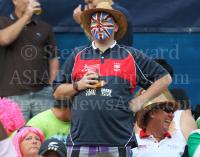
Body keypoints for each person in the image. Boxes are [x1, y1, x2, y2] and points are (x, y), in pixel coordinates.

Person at [53, 2, 172, 156]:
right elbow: (57, 92)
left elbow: (165, 78)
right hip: (80, 141)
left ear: (116, 27)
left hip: (118, 141)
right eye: (94, 22)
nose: (99, 25)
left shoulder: (131, 55)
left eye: (104, 21)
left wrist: (139, 102)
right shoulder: (77, 55)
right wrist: (78, 85)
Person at [0, 0, 60, 123]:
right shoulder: (3, 21)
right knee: (16, 137)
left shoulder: (45, 27)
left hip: (42, 93)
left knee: (46, 136)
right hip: (12, 94)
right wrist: (26, 16)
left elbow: (53, 59)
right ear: (15, 1)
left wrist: (52, 87)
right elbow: (4, 39)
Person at [132, 92, 197, 157]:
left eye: (172, 112)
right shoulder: (132, 143)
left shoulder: (181, 142)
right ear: (152, 113)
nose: (172, 115)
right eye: (167, 110)